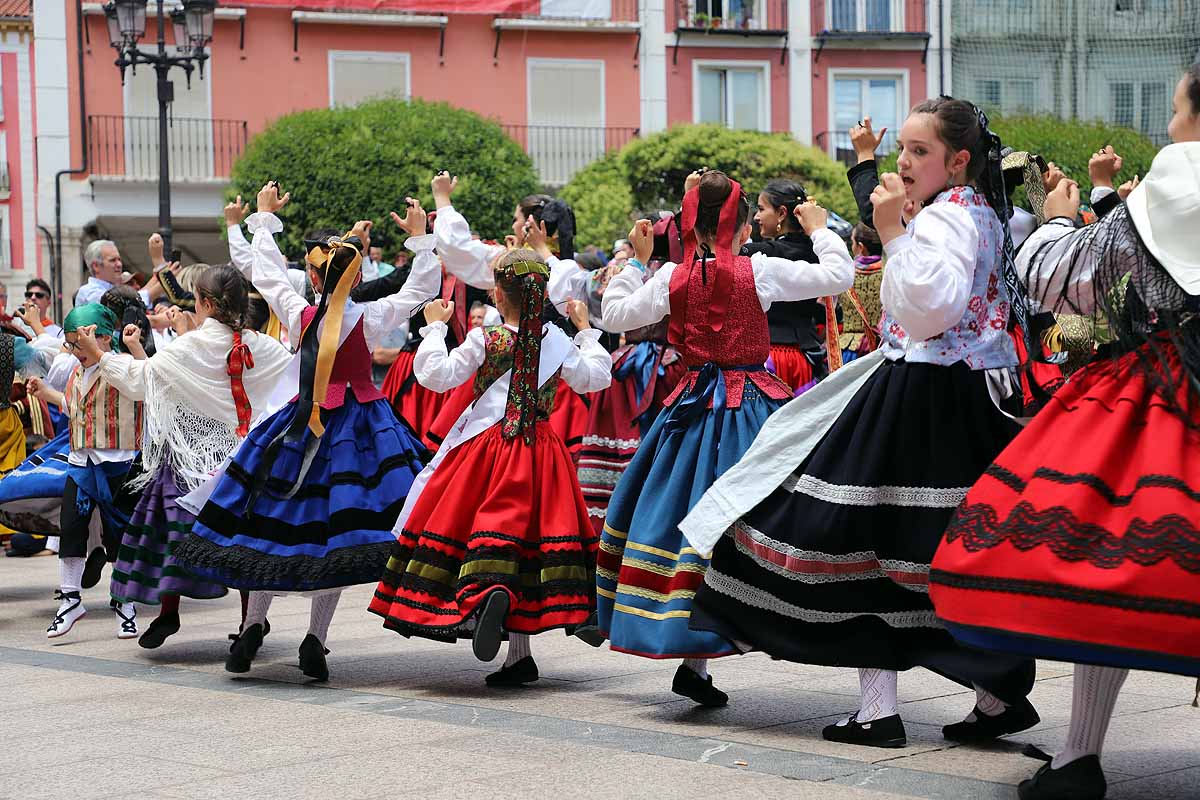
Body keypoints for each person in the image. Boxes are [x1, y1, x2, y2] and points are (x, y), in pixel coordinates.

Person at [680, 99, 1039, 747]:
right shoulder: (980, 213)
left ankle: (884, 711)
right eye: (902, 148)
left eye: (919, 151)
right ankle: (989, 695)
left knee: (863, 543)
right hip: (964, 393)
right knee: (920, 549)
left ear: (959, 160)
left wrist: (894, 233)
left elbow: (930, 308)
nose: (904, 162)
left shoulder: (940, 223)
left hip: (921, 394)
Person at [930, 65, 1200, 800]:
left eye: (1175, 106)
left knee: (1100, 563)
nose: (1170, 120)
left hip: (1165, 402)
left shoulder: (1165, 197)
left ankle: (1080, 758)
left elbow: (1051, 278)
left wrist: (1055, 215)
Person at [595, 170, 854, 706]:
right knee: (768, 514)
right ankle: (776, 622)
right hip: (751, 408)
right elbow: (838, 274)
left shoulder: (672, 276)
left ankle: (697, 660)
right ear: (737, 223)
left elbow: (615, 313)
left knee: (685, 520)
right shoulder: (757, 270)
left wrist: (638, 261)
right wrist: (820, 227)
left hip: (691, 410)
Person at [173, 183, 440, 682]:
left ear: (315, 276)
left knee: (271, 521)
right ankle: (315, 639)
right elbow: (421, 290)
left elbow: (264, 272)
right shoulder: (372, 315)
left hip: (299, 427)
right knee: (336, 535)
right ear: (356, 275)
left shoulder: (301, 314)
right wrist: (422, 239)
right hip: (364, 431)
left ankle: (252, 626)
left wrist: (261, 219)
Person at [369, 249, 611, 685]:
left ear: (499, 295)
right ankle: (526, 651)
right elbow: (597, 378)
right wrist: (586, 332)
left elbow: (435, 376)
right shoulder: (556, 342)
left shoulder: (487, 338)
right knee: (533, 541)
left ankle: (488, 591)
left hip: (487, 447)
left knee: (479, 528)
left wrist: (435, 327)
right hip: (543, 450)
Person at [94, 264, 292, 650]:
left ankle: (170, 613)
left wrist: (100, 357)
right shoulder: (263, 346)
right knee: (239, 541)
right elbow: (291, 380)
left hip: (188, 460)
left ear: (203, 303)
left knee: (174, 536)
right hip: (242, 462)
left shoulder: (192, 345)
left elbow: (141, 380)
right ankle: (251, 620)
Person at [44, 303, 144, 640]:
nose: (76, 351)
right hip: (80, 462)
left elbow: (146, 383)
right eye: (72, 343)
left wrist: (127, 346)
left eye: (81, 342)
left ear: (103, 337)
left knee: (120, 537)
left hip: (118, 464)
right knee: (70, 527)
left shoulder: (121, 365)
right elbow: (75, 405)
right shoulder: (75, 370)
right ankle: (70, 599)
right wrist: (46, 393)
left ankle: (125, 603)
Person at [744, 179, 831, 394]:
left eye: (761, 209)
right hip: (807, 358)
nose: (756, 217)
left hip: (773, 359)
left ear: (782, 213)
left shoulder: (763, 254)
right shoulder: (820, 251)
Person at [838, 222, 884, 364]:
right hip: (880, 346)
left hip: (850, 347)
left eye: (852, 243)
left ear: (861, 247)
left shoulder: (844, 273)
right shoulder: (890, 271)